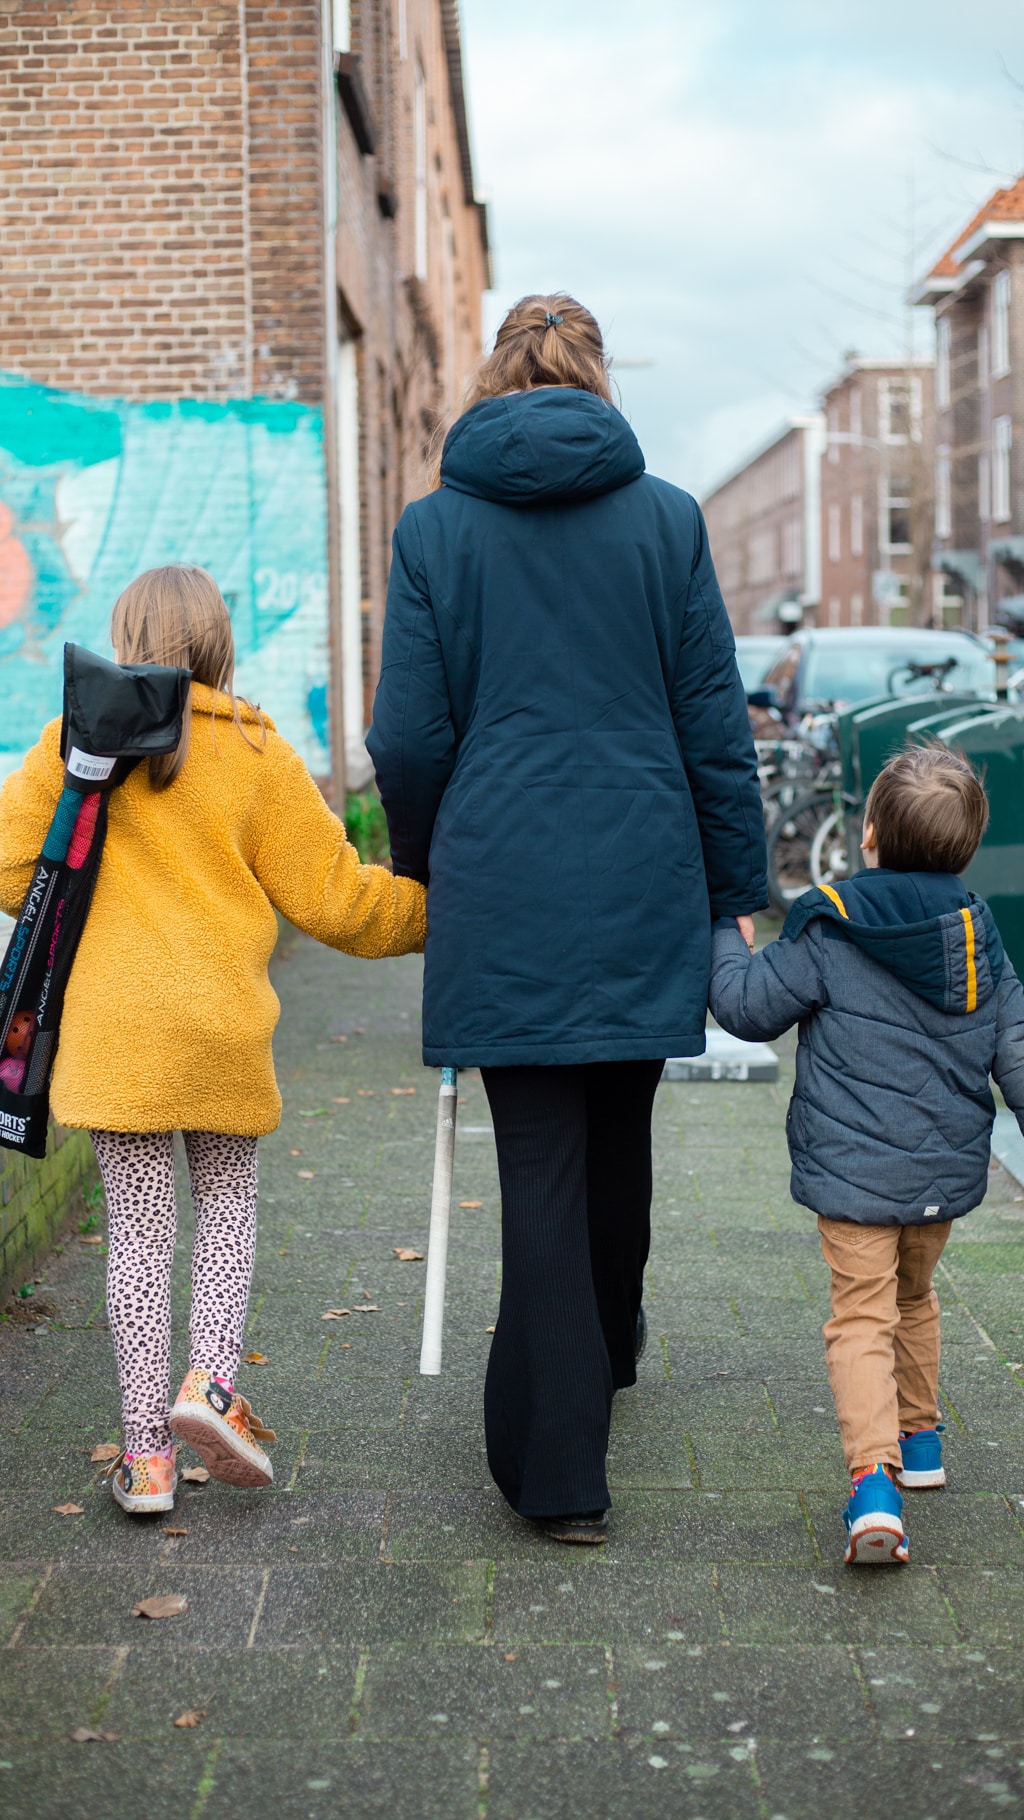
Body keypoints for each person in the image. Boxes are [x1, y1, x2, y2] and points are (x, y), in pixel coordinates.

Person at [367, 293, 766, 1543]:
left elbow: (406, 736)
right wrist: (733, 895)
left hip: (503, 885)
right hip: (645, 873)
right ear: (597, 377)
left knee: (538, 1155)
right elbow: (713, 724)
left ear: (494, 378)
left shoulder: (433, 530)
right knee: (620, 1134)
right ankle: (604, 1350)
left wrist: (439, 862)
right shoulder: (666, 521)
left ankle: (557, 1467)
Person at [0, 565, 426, 1516]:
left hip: (118, 1037)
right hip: (221, 1030)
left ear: (125, 636)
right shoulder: (253, 750)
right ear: (219, 643)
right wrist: (443, 912)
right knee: (227, 1208)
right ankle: (211, 1387)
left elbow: (6, 866)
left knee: (138, 1240)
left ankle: (147, 1460)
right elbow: (338, 901)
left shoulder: (78, 743)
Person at [710, 743, 1024, 1565]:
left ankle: (873, 1487)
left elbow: (746, 1009)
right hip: (941, 1175)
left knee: (861, 1316)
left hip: (854, 1177)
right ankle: (921, 1445)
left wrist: (723, 934)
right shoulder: (976, 932)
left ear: (870, 835)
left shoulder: (828, 922)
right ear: (964, 850)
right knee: (914, 1300)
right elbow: (1015, 1043)